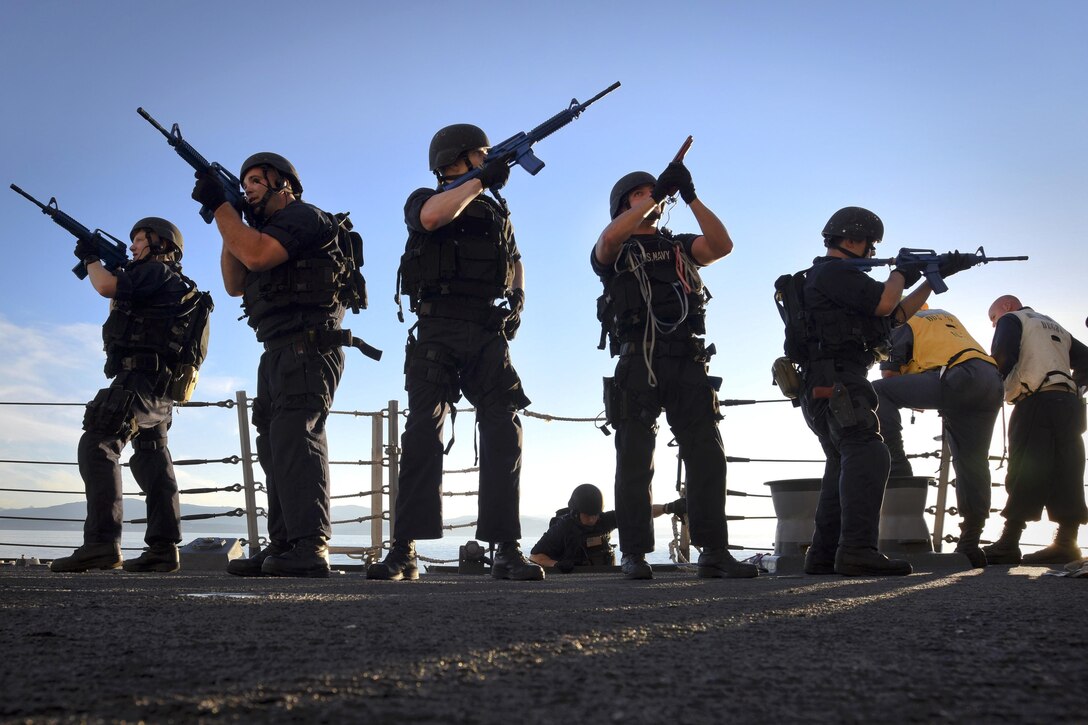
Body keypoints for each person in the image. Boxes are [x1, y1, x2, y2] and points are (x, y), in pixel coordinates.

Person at [369, 124, 542, 582]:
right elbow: (430, 219)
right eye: (481, 155)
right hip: (438, 328)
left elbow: (515, 257)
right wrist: (481, 179)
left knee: (505, 430)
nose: (488, 160)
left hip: (487, 331)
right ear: (457, 160)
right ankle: (403, 550)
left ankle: (505, 547)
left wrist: (518, 298)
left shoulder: (493, 207)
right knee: (424, 431)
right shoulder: (425, 197)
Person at [593, 160, 757, 580]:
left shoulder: (681, 246)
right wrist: (656, 195)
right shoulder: (616, 248)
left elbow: (721, 246)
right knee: (634, 460)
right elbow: (609, 239)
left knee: (707, 455)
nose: (652, 196)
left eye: (654, 191)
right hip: (637, 361)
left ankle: (714, 551)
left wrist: (688, 195)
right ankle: (634, 553)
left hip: (686, 359)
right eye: (640, 192)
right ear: (623, 204)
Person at [791, 207, 974, 576]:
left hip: (829, 381)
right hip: (838, 379)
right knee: (870, 452)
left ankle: (825, 555)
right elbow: (886, 301)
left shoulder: (835, 280)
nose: (873, 254)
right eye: (871, 246)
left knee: (843, 460)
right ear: (853, 240)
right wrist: (902, 271)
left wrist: (932, 279)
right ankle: (857, 550)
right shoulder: (834, 271)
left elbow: (894, 315)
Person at [192, 153, 348, 578]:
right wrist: (229, 215)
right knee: (275, 447)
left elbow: (257, 257)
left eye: (257, 180)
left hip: (310, 347)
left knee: (298, 438)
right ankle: (283, 543)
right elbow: (234, 282)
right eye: (244, 183)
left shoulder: (304, 217)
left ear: (286, 185)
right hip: (277, 349)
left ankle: (310, 545)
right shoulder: (255, 230)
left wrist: (226, 208)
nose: (249, 187)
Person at [51, 218, 201, 574]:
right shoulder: (169, 280)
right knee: (152, 458)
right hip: (161, 386)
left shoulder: (156, 271)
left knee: (98, 444)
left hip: (139, 378)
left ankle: (102, 544)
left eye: (139, 239)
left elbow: (105, 287)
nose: (133, 245)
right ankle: (163, 549)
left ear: (162, 245)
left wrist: (91, 258)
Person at [872, 307, 1003, 567]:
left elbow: (889, 376)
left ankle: (897, 466)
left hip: (955, 377)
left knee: (877, 392)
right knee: (972, 462)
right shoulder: (943, 317)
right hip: (991, 380)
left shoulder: (902, 320)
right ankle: (970, 542)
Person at [982, 295, 1088, 566]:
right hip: (1069, 404)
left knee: (1025, 468)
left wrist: (989, 387)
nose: (995, 325)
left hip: (1035, 400)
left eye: (993, 318)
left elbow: (1003, 355)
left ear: (1005, 307)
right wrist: (1076, 387)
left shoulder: (1012, 318)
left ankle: (1008, 543)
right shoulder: (1056, 327)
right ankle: (1066, 543)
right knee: (1068, 469)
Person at [529, 483, 687, 571]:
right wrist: (555, 564)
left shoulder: (602, 520)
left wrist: (668, 508)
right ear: (576, 513)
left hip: (602, 577)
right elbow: (535, 557)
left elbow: (637, 514)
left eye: (596, 514)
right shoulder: (561, 528)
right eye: (588, 515)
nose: (593, 519)